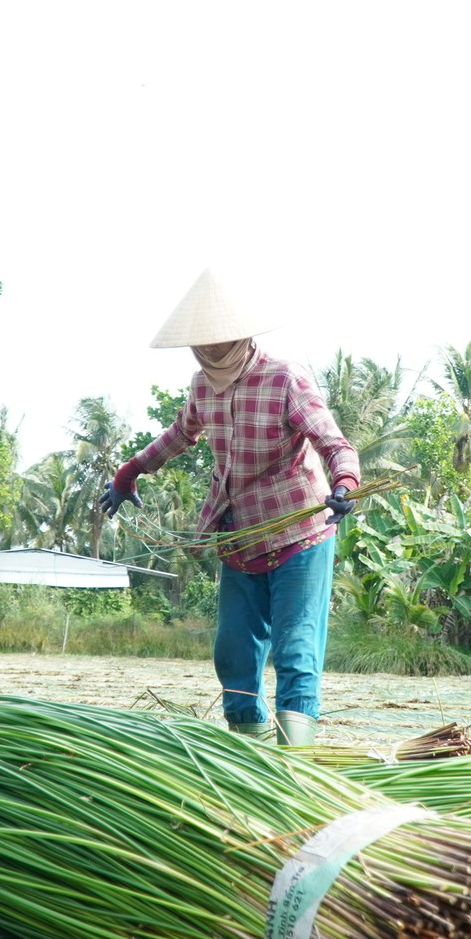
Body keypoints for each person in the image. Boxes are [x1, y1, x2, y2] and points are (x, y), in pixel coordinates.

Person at [98, 268, 361, 746]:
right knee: (234, 654)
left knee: (295, 651)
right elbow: (179, 436)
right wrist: (130, 471)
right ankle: (249, 755)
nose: (214, 352)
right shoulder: (201, 386)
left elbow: (331, 440)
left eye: (221, 342)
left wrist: (344, 481)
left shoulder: (285, 378)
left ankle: (293, 766)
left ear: (242, 335)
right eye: (204, 344)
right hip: (239, 535)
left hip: (299, 532)